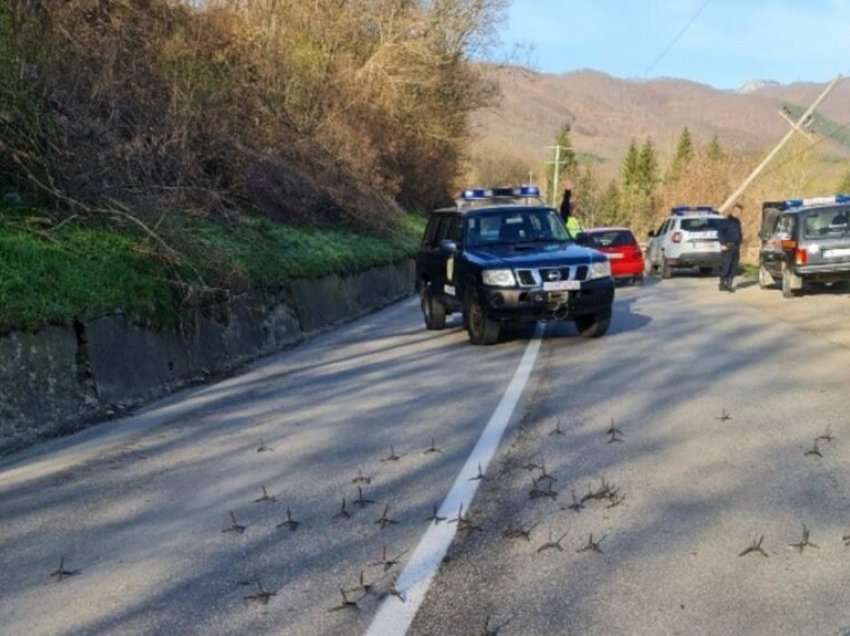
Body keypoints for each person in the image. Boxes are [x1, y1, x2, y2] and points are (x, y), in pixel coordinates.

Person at [717, 203, 743, 292]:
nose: (738, 213)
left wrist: (740, 242)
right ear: (732, 211)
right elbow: (720, 233)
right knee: (726, 266)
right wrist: (722, 244)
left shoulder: (737, 222)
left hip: (736, 247)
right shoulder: (726, 221)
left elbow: (739, 234)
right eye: (736, 211)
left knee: (734, 266)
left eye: (739, 212)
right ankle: (722, 283)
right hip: (727, 246)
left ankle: (729, 283)